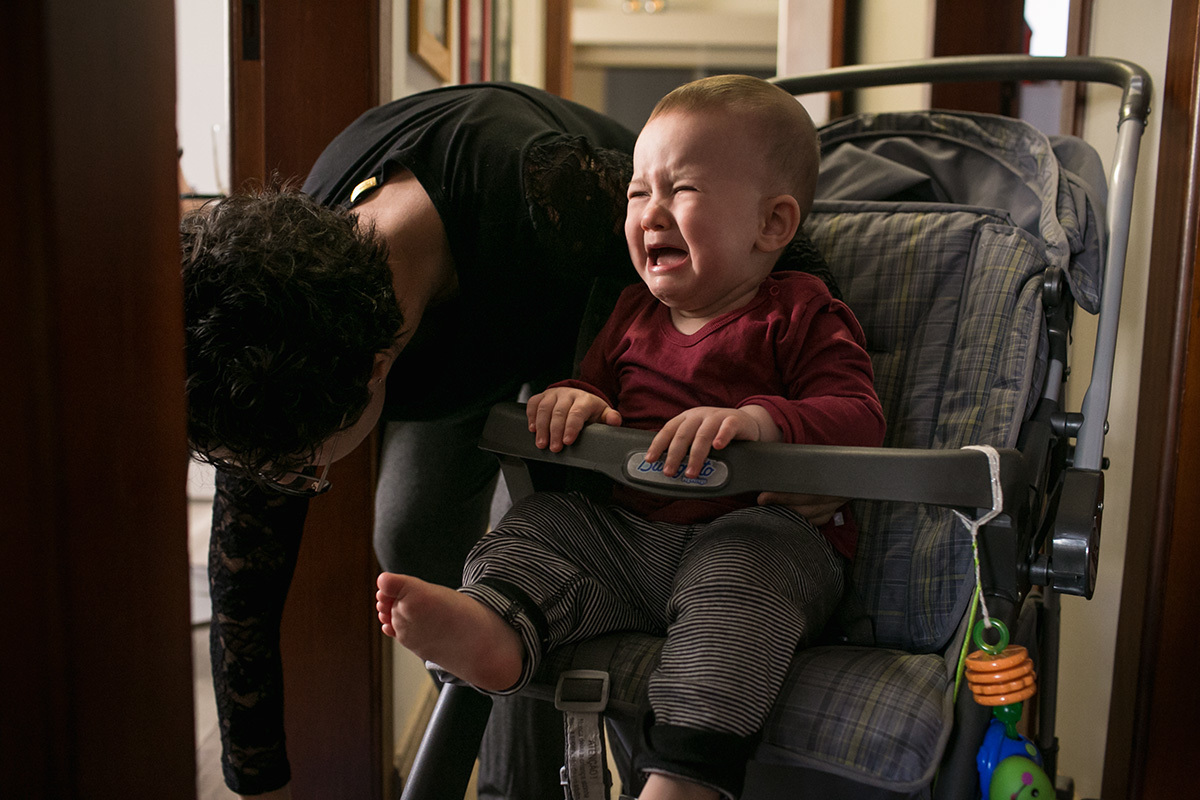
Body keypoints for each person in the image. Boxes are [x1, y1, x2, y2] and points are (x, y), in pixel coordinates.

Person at [375, 75, 886, 800]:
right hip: (626, 536)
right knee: (541, 523)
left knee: (744, 583)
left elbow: (859, 415)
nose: (650, 212)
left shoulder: (800, 312)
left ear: (772, 225)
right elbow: (597, 393)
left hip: (756, 535)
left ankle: (684, 776)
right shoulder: (629, 313)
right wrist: (571, 401)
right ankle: (496, 624)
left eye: (681, 190)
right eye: (637, 192)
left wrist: (761, 422)